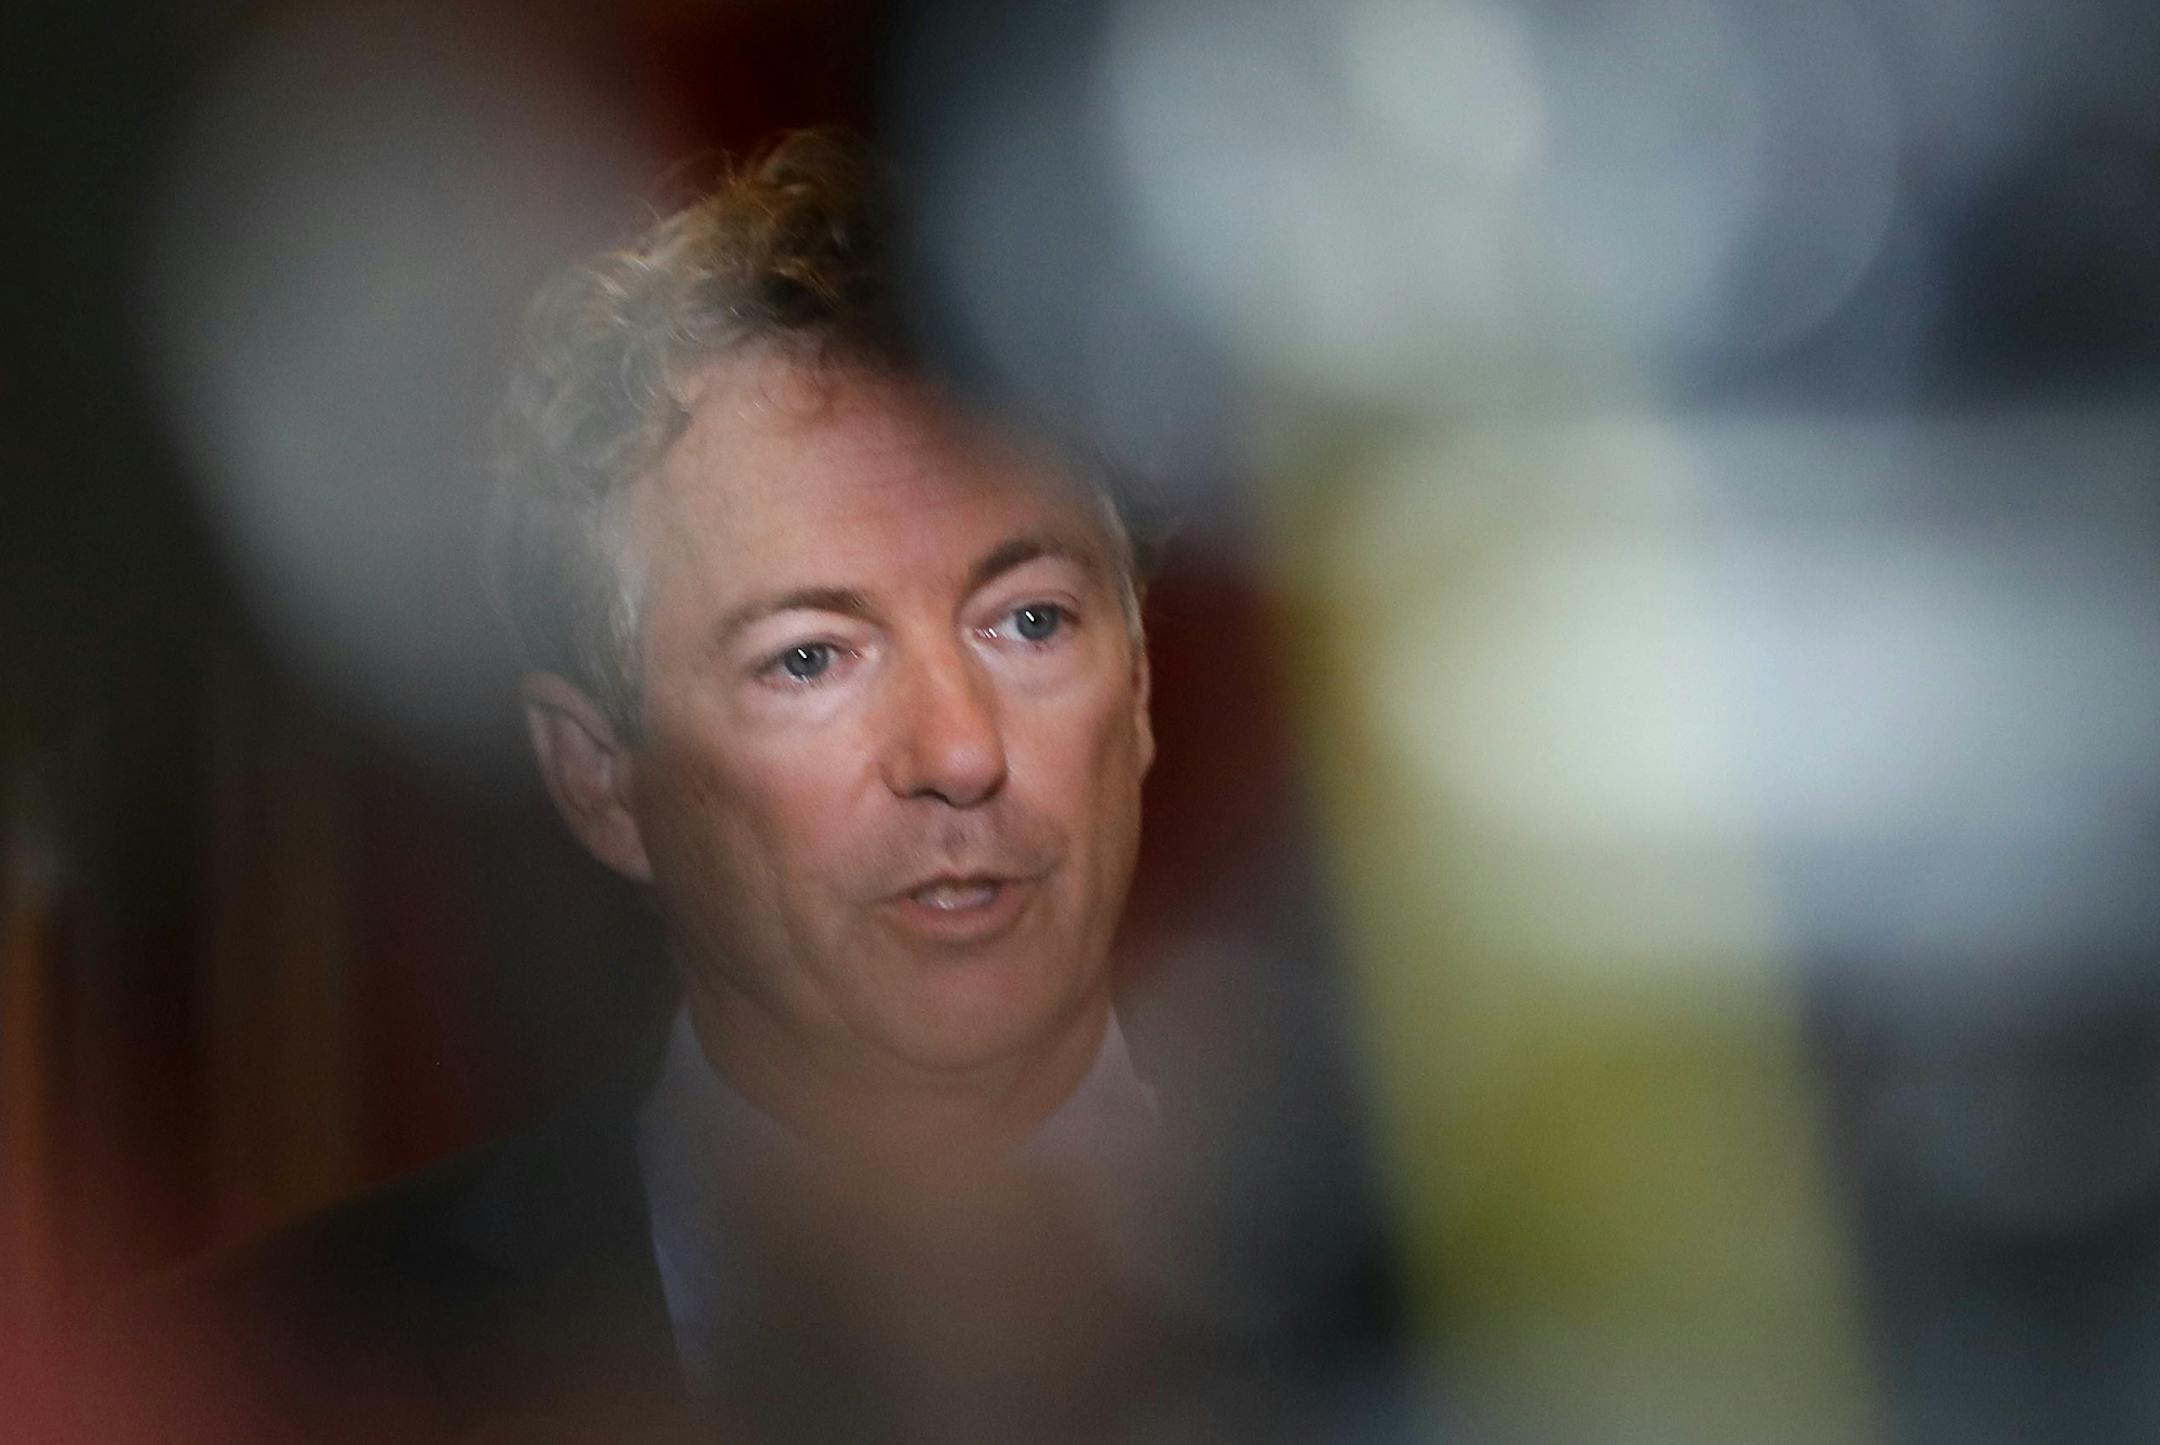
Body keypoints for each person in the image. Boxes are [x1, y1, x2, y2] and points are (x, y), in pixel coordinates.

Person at [114, 132, 1218, 1444]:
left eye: (1028, 622)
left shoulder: (1456, 1276)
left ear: (1141, 685)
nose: (960, 750)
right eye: (809, 655)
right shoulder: (277, 1382)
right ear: (598, 777)